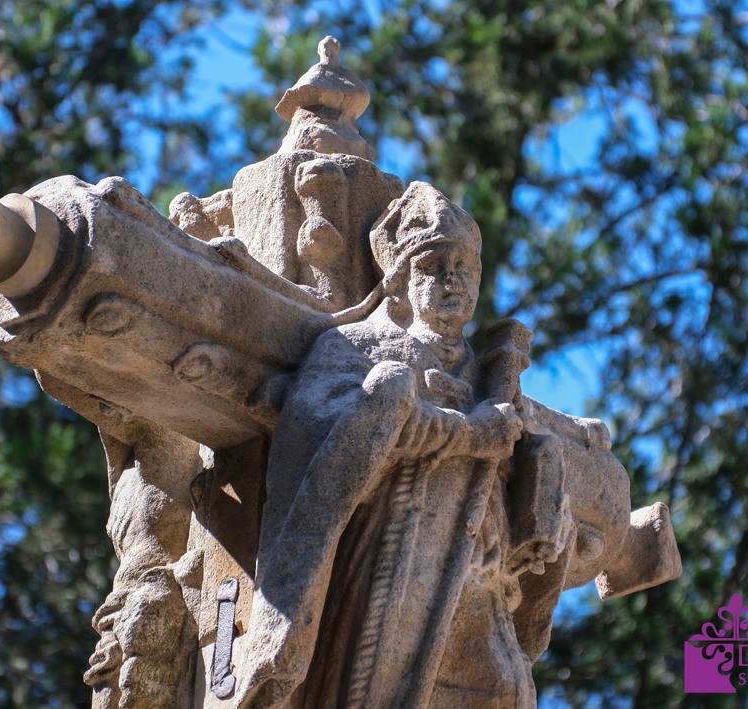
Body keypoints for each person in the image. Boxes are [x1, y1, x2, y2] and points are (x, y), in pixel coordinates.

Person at [235, 181, 570, 708]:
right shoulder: (356, 346)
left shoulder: (493, 382)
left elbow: (518, 462)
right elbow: (340, 434)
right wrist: (470, 434)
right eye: (433, 266)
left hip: (480, 581)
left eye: (464, 267)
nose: (452, 279)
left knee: (507, 694)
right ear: (400, 281)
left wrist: (536, 476)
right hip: (391, 573)